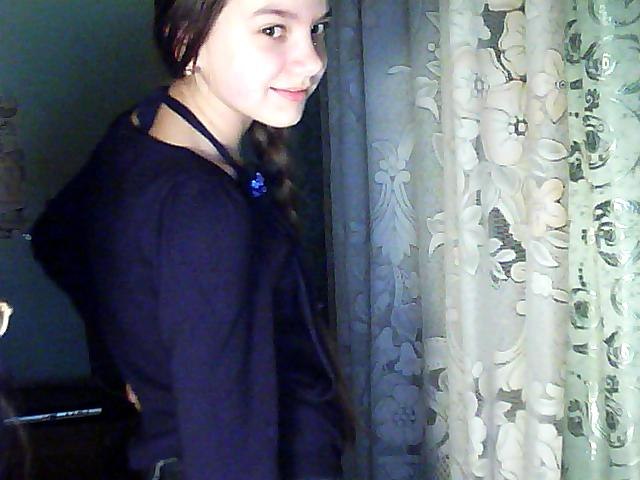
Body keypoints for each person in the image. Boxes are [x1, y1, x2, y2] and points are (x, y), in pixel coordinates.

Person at [30, 0, 354, 479]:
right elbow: (229, 454)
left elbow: (54, 237)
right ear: (186, 42)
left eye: (317, 28)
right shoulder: (204, 208)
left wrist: (133, 360)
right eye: (273, 29)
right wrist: (136, 364)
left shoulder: (145, 127)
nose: (311, 61)